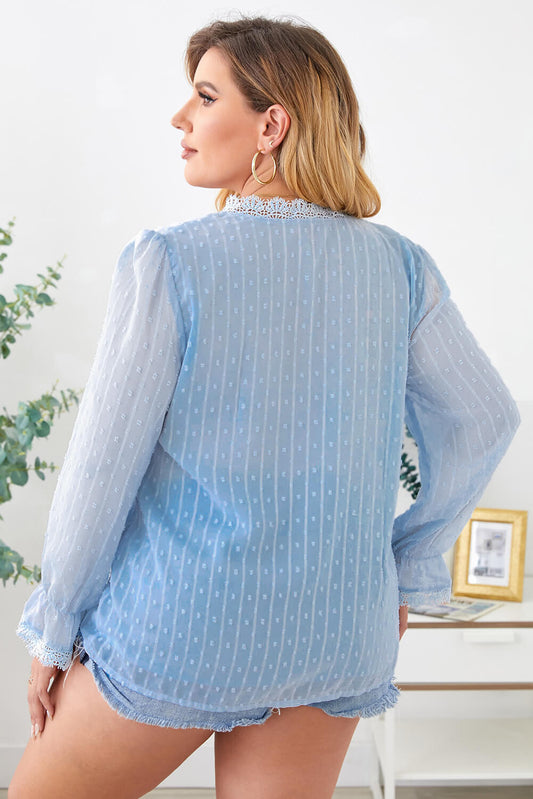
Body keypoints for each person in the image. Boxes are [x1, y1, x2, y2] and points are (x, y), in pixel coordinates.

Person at [9, 15, 520, 799]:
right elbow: (484, 416)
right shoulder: (400, 267)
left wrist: (55, 624)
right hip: (335, 631)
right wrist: (407, 567)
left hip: (185, 627)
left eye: (205, 96)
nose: (179, 118)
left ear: (270, 125)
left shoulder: (171, 262)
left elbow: (100, 469)